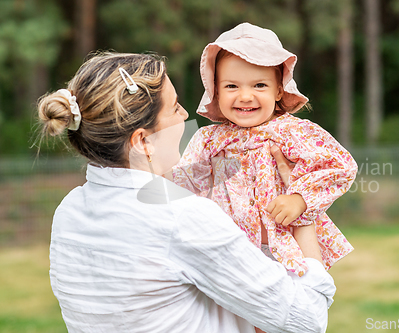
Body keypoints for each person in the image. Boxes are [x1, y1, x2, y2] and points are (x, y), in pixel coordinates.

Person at [37, 52, 337, 333]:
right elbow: (306, 319)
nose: (185, 117)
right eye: (175, 108)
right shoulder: (180, 217)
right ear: (143, 142)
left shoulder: (70, 209)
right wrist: (303, 207)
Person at [173, 23, 358, 278]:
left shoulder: (293, 132)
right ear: (215, 90)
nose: (245, 96)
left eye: (259, 85)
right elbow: (183, 188)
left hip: (284, 245)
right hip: (227, 251)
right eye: (231, 86)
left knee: (293, 308)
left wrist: (300, 198)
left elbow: (340, 165)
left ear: (279, 89)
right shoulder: (207, 140)